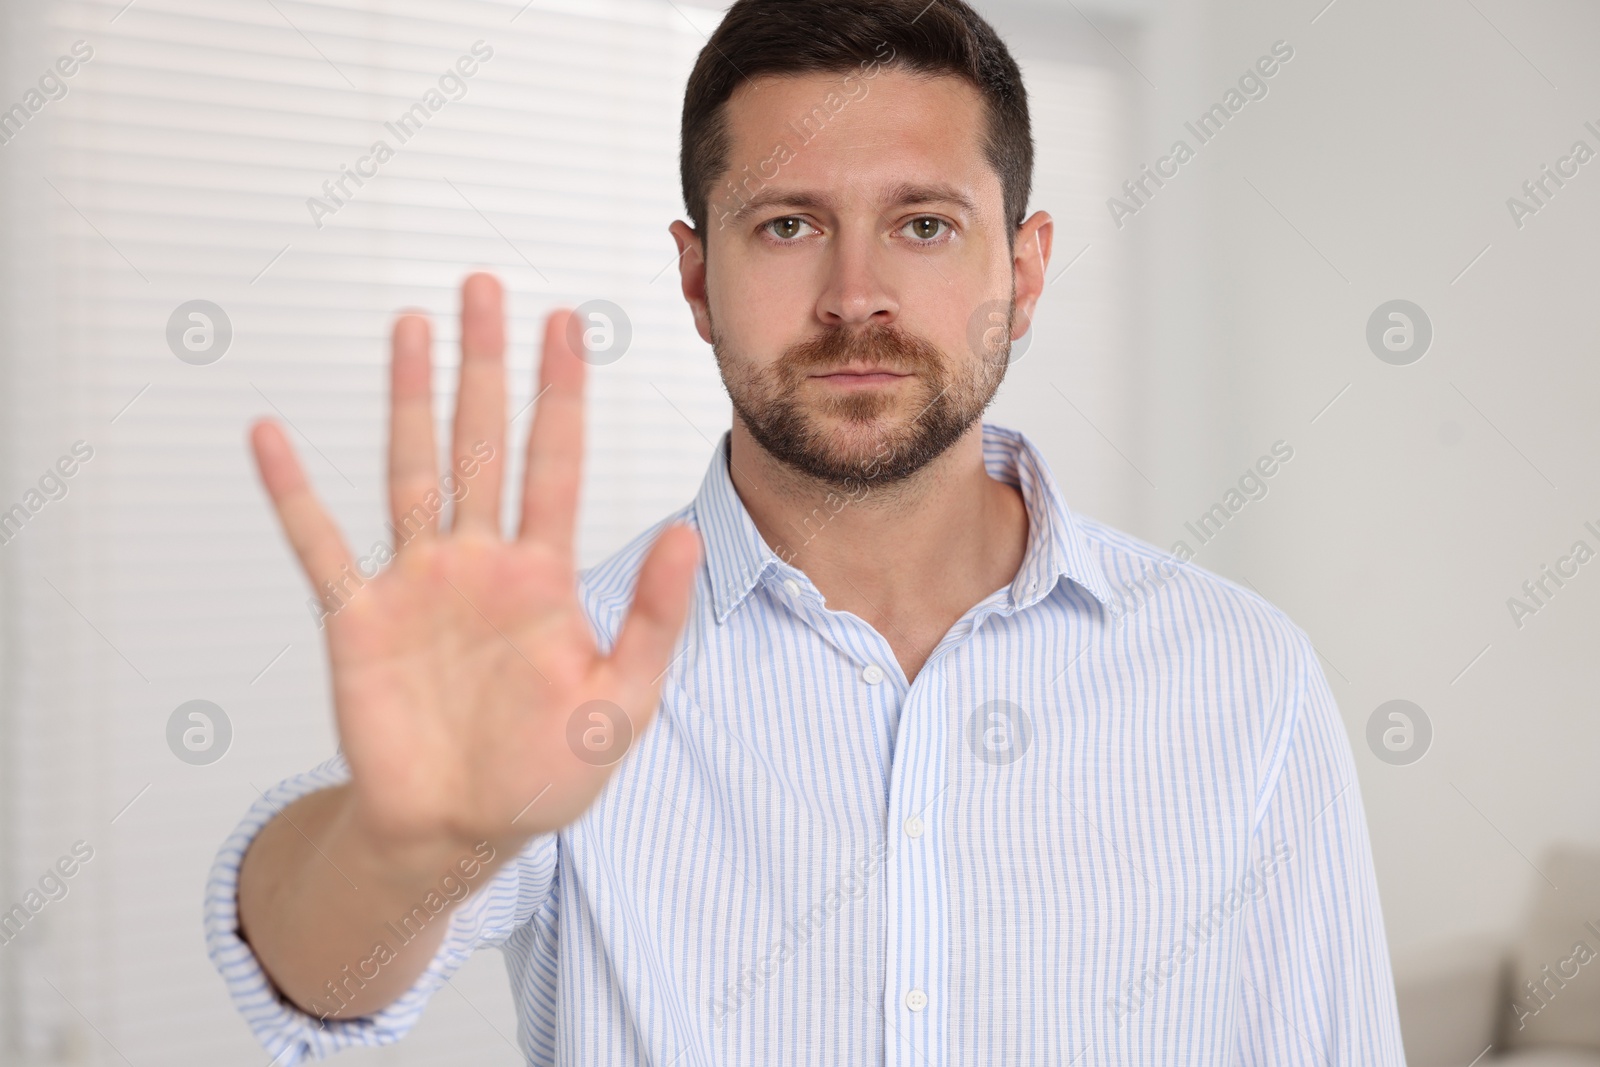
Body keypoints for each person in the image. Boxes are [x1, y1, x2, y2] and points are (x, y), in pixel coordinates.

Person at [206, 0, 1405, 1063]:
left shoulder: (1243, 675)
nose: (853, 295)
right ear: (696, 280)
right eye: (787, 224)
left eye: (923, 224)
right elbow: (317, 978)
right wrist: (410, 840)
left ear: (1025, 270)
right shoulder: (567, 675)